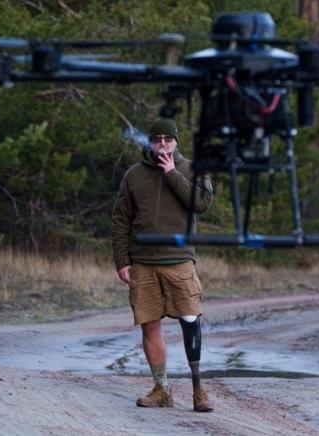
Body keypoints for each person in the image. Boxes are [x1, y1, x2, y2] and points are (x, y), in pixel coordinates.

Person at [111, 117, 214, 412]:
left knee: (190, 320)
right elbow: (121, 220)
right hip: (142, 262)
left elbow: (202, 204)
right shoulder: (134, 175)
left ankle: (198, 391)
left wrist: (171, 174)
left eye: (168, 139)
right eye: (157, 140)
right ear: (150, 142)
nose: (163, 144)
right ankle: (161, 389)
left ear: (176, 141)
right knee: (149, 326)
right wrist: (122, 259)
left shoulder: (192, 169)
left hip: (179, 259)